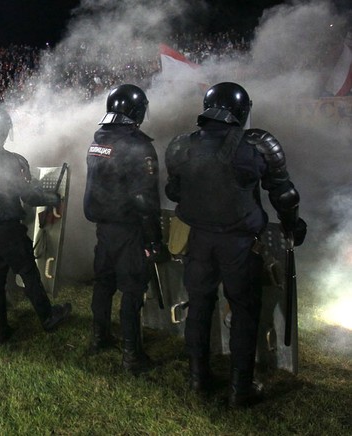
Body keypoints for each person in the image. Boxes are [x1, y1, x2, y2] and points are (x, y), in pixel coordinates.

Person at [164, 82, 307, 407]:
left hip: (198, 241)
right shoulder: (257, 144)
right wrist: (292, 226)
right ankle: (240, 388)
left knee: (199, 306)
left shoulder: (181, 145)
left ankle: (198, 378)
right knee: (244, 310)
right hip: (239, 245)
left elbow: (174, 192)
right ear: (242, 111)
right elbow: (283, 194)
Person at [0, 105, 72, 343]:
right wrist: (51, 198)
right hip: (7, 229)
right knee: (29, 273)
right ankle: (47, 316)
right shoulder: (10, 161)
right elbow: (29, 197)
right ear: (3, 132)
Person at [83, 84, 167, 371]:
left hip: (103, 229)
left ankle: (99, 338)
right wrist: (154, 241)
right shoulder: (138, 145)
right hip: (128, 230)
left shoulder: (99, 140)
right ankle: (132, 355)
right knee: (132, 289)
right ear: (136, 110)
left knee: (103, 284)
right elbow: (145, 200)